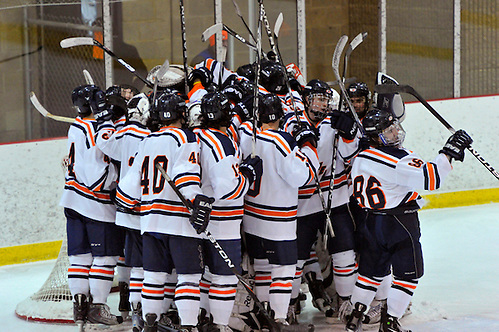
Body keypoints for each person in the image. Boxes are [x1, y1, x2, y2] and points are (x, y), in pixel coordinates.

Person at [345, 107, 472, 332]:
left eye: (395, 128)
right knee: (408, 276)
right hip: (399, 224)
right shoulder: (398, 158)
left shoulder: (361, 158)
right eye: (389, 130)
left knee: (370, 273)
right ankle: (390, 322)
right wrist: (449, 152)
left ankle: (355, 316)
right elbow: (431, 179)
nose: (396, 133)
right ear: (376, 136)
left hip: (372, 223)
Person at [115, 92, 210, 332]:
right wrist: (197, 201)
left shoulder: (147, 140)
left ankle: (150, 325)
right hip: (179, 223)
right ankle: (189, 327)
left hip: (150, 223)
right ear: (181, 114)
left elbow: (128, 187)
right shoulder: (186, 137)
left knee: (154, 277)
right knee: (188, 278)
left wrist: (125, 201)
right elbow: (186, 176)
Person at [281, 79, 360, 323]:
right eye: (317, 98)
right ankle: (290, 304)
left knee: (345, 254)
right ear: (305, 100)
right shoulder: (290, 121)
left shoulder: (335, 123)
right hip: (302, 205)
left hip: (335, 200)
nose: (322, 104)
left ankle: (345, 302)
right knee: (294, 260)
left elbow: (350, 159)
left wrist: (348, 134)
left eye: (326, 99)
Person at [238, 93, 319, 329]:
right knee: (283, 271)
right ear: (281, 116)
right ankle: (279, 319)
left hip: (252, 218)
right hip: (278, 220)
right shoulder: (282, 141)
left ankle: (264, 317)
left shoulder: (246, 137)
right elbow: (303, 176)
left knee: (262, 268)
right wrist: (307, 145)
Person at [193, 91, 263, 332]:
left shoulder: (195, 136)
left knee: (204, 276)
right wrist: (248, 175)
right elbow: (228, 190)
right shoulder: (221, 142)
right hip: (223, 221)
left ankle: (203, 319)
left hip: (198, 219)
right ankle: (220, 325)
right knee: (224, 277)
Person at [60, 84, 123, 328]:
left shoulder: (76, 125)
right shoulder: (97, 128)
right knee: (105, 258)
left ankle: (79, 306)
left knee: (80, 258)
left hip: (72, 200)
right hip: (95, 202)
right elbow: (100, 164)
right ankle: (98, 307)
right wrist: (108, 189)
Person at [95, 92, 151, 330]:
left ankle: (128, 304)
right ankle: (143, 309)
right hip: (146, 209)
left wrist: (104, 120)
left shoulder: (123, 133)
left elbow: (104, 143)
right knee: (148, 265)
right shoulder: (151, 137)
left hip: (124, 208)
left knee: (131, 260)